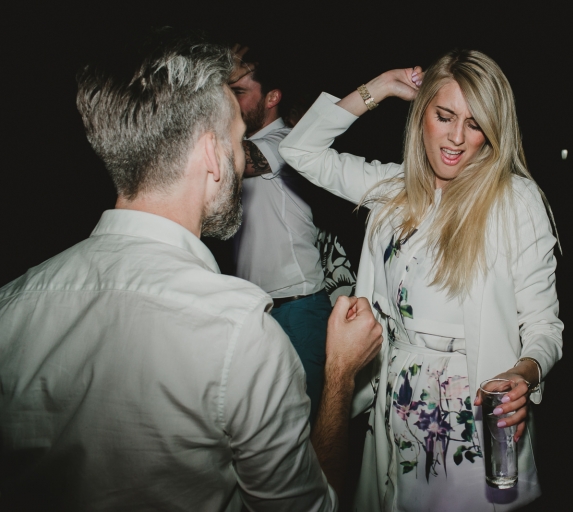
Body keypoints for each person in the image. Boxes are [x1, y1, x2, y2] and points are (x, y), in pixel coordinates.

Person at [0, 29, 382, 512]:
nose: (241, 153)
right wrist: (342, 373)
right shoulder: (237, 330)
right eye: (238, 141)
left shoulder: (13, 304)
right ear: (210, 154)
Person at [280, 49, 563, 511]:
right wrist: (382, 86)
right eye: (444, 115)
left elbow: (545, 328)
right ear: (421, 113)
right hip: (397, 404)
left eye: (474, 124)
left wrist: (522, 373)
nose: (456, 138)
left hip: (473, 413)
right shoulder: (393, 189)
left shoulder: (516, 200)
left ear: (492, 131)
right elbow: (298, 149)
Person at [227, 45, 335, 424]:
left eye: (238, 92)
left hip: (297, 307)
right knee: (261, 429)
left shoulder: (285, 142)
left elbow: (228, 160)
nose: (229, 101)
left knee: (307, 432)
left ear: (272, 98)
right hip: (258, 308)